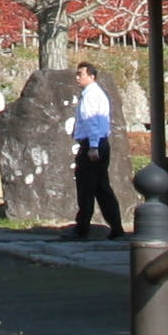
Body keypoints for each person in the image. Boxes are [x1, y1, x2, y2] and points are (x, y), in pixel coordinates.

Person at [68, 61, 127, 239]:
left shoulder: (91, 95)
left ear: (91, 76)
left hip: (93, 143)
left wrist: (93, 146)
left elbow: (92, 121)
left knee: (86, 186)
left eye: (81, 74)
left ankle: (82, 228)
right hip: (100, 142)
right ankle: (116, 227)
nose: (78, 77)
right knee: (101, 187)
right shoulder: (97, 94)